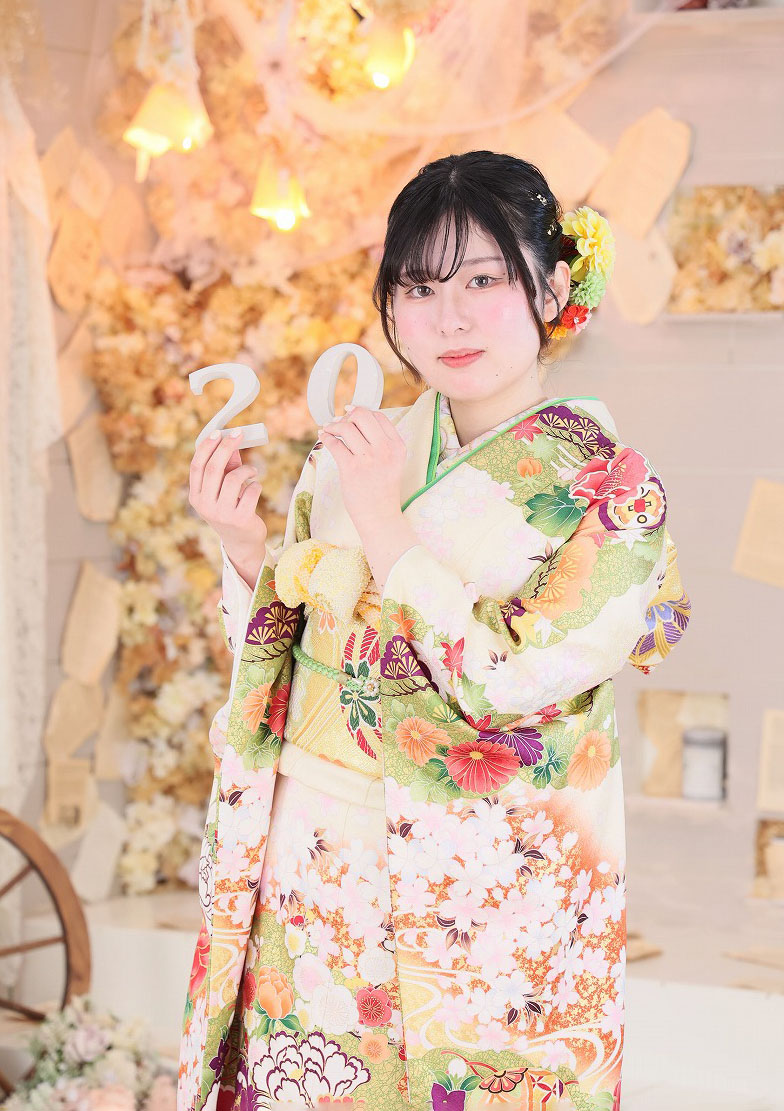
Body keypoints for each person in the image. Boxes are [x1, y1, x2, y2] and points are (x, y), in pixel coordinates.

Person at [178, 151, 692, 1111]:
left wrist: (386, 522)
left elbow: (507, 681)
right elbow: (290, 654)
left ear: (553, 287)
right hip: (316, 868)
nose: (449, 318)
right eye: (418, 288)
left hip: (484, 890)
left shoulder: (613, 492)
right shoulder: (357, 453)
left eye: (483, 281)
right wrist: (244, 549)